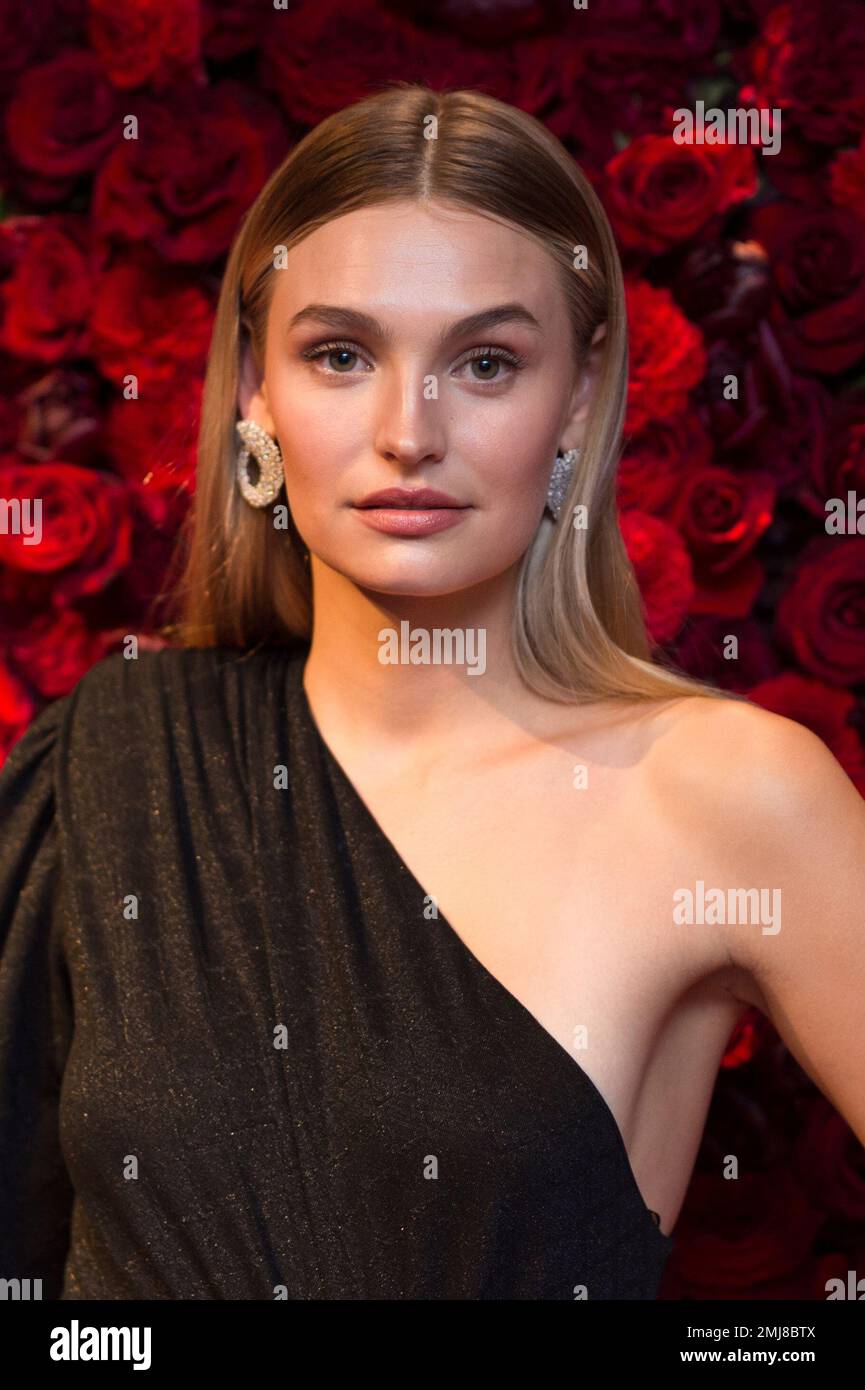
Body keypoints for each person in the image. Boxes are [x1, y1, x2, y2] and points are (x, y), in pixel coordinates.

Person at [2, 82, 864, 1303]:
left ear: (576, 397)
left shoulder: (728, 794)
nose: (410, 431)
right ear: (256, 388)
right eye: (341, 354)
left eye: (487, 361)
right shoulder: (115, 761)